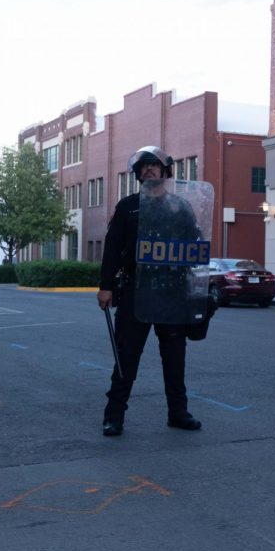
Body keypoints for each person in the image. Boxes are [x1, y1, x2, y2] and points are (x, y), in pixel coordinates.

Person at [97, 146, 204, 437]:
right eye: (143, 167)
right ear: (137, 174)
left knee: (174, 356)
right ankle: (114, 416)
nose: (148, 170)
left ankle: (178, 413)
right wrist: (105, 286)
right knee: (126, 357)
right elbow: (112, 249)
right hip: (135, 290)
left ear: (165, 171)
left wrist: (197, 282)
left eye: (153, 166)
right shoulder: (127, 206)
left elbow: (195, 243)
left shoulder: (180, 206)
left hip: (171, 290)